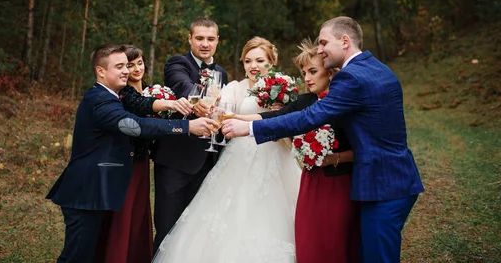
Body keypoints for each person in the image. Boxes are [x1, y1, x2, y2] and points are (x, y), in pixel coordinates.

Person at [223, 16, 424, 263]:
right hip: (396, 177)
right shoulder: (379, 68)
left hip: (383, 184)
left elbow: (310, 117)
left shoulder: (351, 78)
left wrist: (250, 129)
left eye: (323, 43)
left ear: (345, 41)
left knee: (377, 257)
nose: (319, 50)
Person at [46, 44, 217, 263]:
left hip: (101, 187)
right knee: (77, 256)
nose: (126, 71)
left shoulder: (112, 95)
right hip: (85, 192)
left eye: (126, 66)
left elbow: (142, 105)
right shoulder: (99, 100)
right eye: (120, 66)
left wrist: (169, 105)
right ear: (100, 71)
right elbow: (134, 125)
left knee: (93, 251)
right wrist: (186, 128)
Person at [152, 37, 301, 263]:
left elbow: (293, 120)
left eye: (260, 60)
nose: (253, 66)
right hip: (240, 157)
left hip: (275, 154)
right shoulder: (234, 87)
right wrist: (213, 107)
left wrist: (280, 110)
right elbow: (221, 110)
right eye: (248, 61)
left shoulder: (285, 86)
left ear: (272, 61)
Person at [236, 38, 360, 263]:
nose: (307, 78)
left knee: (334, 240)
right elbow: (274, 116)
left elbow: (363, 150)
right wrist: (236, 120)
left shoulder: (343, 103)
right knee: (306, 238)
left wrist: (332, 158)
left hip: (338, 184)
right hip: (310, 182)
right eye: (304, 73)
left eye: (313, 71)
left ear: (330, 72)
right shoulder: (305, 101)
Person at [97, 46, 192, 263]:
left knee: (138, 215)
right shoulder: (124, 92)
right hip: (124, 161)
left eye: (139, 62)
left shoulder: (152, 89)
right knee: (124, 215)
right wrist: (167, 104)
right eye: (129, 65)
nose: (136, 68)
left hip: (141, 161)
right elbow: (140, 105)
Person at [151, 17, 229, 251]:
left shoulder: (222, 73)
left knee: (195, 231)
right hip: (177, 161)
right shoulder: (178, 63)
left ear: (217, 41)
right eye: (200, 38)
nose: (205, 44)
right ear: (190, 39)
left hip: (209, 161)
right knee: (167, 227)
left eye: (210, 39)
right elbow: (181, 84)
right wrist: (198, 102)